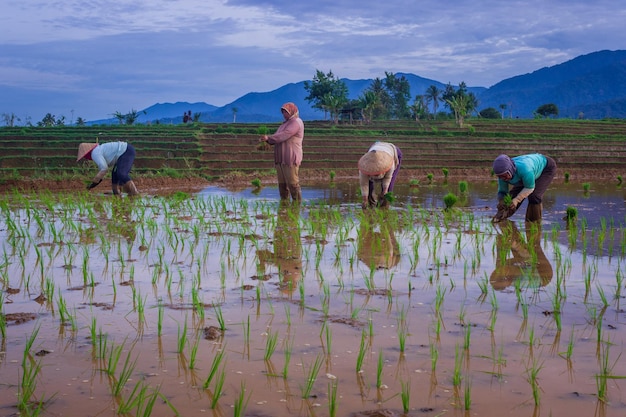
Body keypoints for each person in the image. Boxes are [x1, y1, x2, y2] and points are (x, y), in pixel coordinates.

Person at [259, 102, 304, 201]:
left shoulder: (296, 122)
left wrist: (268, 138)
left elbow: (285, 135)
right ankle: (284, 206)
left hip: (290, 158)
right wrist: (267, 140)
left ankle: (297, 205)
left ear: (292, 111)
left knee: (293, 182)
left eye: (286, 112)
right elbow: (278, 135)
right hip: (281, 158)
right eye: (283, 112)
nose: (284, 114)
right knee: (282, 184)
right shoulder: (284, 124)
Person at [492, 153, 556, 222]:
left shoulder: (525, 169)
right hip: (526, 173)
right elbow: (502, 192)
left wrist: (517, 200)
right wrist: (502, 201)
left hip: (545, 168)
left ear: (510, 170)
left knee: (534, 196)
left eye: (505, 176)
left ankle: (533, 222)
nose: (503, 178)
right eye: (500, 176)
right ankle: (500, 219)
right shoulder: (502, 176)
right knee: (510, 198)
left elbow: (529, 188)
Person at [490, 220, 553, 290]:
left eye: (496, 271)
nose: (497, 270)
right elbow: (529, 258)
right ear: (507, 276)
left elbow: (500, 256)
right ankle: (534, 220)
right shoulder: (518, 276)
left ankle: (506, 224)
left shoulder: (500, 269)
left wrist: (500, 244)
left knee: (504, 256)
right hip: (543, 276)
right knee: (533, 245)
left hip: (525, 267)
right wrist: (517, 247)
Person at [256, 203, 302, 293]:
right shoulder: (293, 273)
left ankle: (288, 204)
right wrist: (263, 261)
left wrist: (263, 261)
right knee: (288, 218)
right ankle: (289, 204)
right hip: (287, 245)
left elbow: (280, 262)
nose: (282, 281)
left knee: (286, 219)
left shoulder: (292, 273)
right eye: (283, 283)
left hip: (287, 245)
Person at [358, 141, 402, 209]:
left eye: (377, 174)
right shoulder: (364, 167)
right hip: (375, 152)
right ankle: (370, 204)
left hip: (393, 152)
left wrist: (385, 190)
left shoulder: (389, 163)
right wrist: (364, 199)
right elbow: (364, 184)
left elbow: (387, 178)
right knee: (369, 186)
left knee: (389, 187)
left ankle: (384, 206)